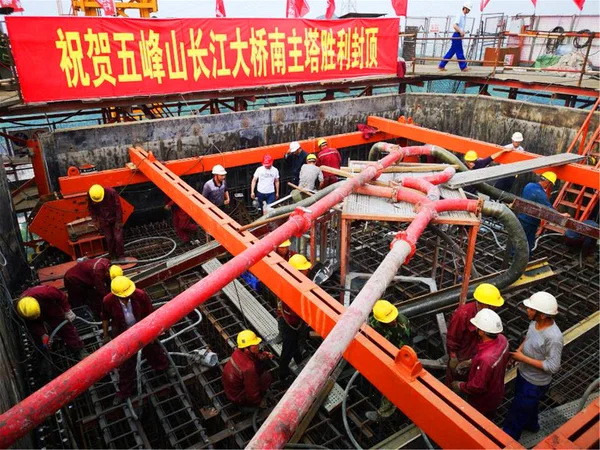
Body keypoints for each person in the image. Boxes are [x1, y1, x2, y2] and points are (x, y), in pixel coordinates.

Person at [102, 276, 173, 403]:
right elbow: (105, 317)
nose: (127, 297)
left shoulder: (140, 295)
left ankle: (164, 368)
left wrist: (153, 334)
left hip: (143, 330)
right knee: (126, 364)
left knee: (153, 351)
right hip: (123, 335)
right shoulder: (108, 301)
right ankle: (124, 391)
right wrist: (106, 335)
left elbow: (151, 315)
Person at [503, 292, 563, 440]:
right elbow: (528, 338)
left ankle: (507, 439)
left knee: (517, 413)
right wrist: (519, 352)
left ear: (542, 315)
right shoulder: (534, 323)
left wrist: (523, 358)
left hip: (535, 384)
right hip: (523, 375)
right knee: (529, 407)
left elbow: (553, 366)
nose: (527, 310)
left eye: (531, 309)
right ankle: (532, 426)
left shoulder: (554, 337)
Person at [451, 309, 510, 420]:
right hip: (497, 390)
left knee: (478, 422)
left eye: (477, 327)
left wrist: (460, 386)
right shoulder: (503, 340)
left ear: (482, 332)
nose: (475, 329)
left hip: (482, 401)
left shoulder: (486, 359)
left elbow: (478, 386)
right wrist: (472, 362)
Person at [446, 283, 504, 385]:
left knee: (473, 378)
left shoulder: (488, 313)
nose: (496, 309)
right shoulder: (462, 314)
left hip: (478, 355)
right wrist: (453, 357)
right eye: (494, 306)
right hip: (463, 355)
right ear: (484, 303)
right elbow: (452, 337)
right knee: (455, 378)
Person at [365, 300, 411, 422]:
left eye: (394, 318)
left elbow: (404, 351)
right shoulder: (375, 320)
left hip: (397, 355)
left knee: (392, 384)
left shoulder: (402, 326)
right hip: (380, 352)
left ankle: (384, 413)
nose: (394, 321)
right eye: (390, 320)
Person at [16, 285, 88, 360]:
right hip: (35, 316)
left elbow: (61, 296)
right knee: (38, 337)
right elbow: (33, 324)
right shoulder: (23, 310)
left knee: (65, 327)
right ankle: (44, 356)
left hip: (50, 306)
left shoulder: (46, 292)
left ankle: (78, 349)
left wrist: (67, 310)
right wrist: (42, 334)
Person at [278, 254, 311, 382]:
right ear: (296, 272)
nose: (307, 270)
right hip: (289, 323)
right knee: (288, 348)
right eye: (304, 269)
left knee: (297, 342)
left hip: (295, 322)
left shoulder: (297, 281)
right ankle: (283, 375)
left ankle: (298, 360)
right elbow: (296, 309)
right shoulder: (290, 287)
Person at [517, 172, 569, 253]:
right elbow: (549, 209)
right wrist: (561, 215)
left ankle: (512, 255)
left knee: (518, 239)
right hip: (530, 223)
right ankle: (523, 260)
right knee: (527, 243)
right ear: (548, 182)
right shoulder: (540, 194)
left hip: (521, 217)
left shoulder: (529, 185)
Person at [222, 330, 273, 408]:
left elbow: (251, 357)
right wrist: (258, 401)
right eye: (254, 345)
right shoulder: (249, 368)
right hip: (238, 397)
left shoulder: (238, 352)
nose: (258, 345)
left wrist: (262, 356)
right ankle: (250, 406)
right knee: (267, 378)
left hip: (230, 389)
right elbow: (253, 392)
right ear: (246, 348)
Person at [88, 184, 125, 260]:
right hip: (104, 219)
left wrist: (118, 221)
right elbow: (91, 207)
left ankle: (121, 256)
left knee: (118, 238)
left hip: (114, 218)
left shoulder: (111, 192)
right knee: (109, 239)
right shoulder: (91, 194)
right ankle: (112, 256)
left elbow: (118, 207)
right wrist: (94, 220)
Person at [438, 2, 472, 72]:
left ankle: (441, 65)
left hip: (458, 35)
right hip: (457, 35)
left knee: (451, 52)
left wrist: (462, 32)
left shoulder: (463, 16)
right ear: (465, 8)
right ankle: (463, 67)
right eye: (468, 9)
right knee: (459, 51)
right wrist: (460, 32)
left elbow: (459, 27)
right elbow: (454, 25)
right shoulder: (460, 15)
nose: (468, 11)